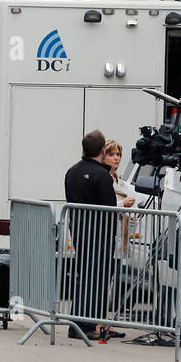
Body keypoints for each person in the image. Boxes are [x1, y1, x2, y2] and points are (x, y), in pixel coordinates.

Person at [63, 130, 122, 342]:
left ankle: (76, 322)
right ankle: (86, 324)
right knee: (96, 280)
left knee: (83, 277)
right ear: (102, 150)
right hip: (99, 234)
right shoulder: (101, 176)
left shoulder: (72, 172)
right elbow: (109, 209)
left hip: (79, 231)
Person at [103, 139, 137, 209]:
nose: (116, 158)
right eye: (111, 155)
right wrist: (123, 203)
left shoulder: (118, 177)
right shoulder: (102, 177)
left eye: (118, 154)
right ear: (103, 157)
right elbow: (102, 206)